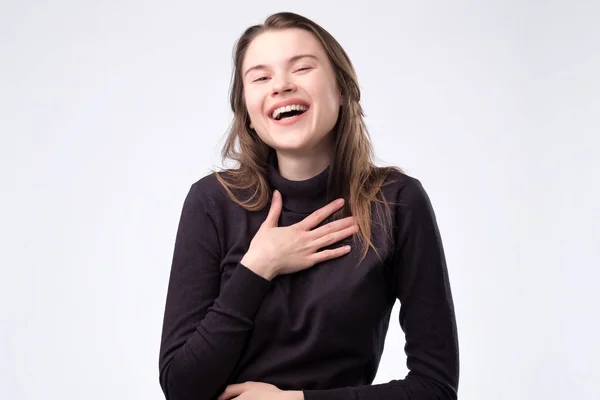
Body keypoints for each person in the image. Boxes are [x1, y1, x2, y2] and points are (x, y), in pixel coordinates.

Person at [158, 11, 459, 400]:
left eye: (301, 68)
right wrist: (258, 266)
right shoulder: (212, 202)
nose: (281, 86)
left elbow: (435, 388)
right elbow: (181, 387)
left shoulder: (396, 201)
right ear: (247, 109)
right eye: (261, 77)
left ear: (342, 88)